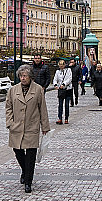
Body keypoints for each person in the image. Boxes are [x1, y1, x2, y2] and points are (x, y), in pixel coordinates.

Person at [6, 64, 50, 193]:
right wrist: (10, 122)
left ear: (30, 76)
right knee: (17, 150)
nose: (23, 78)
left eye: (25, 76)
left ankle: (28, 181)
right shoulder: (13, 90)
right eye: (21, 76)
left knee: (31, 155)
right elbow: (8, 107)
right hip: (17, 126)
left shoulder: (38, 90)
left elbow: (43, 108)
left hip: (32, 125)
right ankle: (25, 171)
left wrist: (45, 126)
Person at [52, 59, 73, 124]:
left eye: (62, 65)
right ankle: (60, 118)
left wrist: (64, 84)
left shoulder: (68, 70)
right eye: (60, 66)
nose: (61, 67)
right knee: (60, 104)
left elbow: (70, 78)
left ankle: (66, 118)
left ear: (64, 65)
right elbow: (55, 79)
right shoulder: (57, 71)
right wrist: (55, 84)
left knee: (66, 104)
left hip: (67, 89)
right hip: (61, 90)